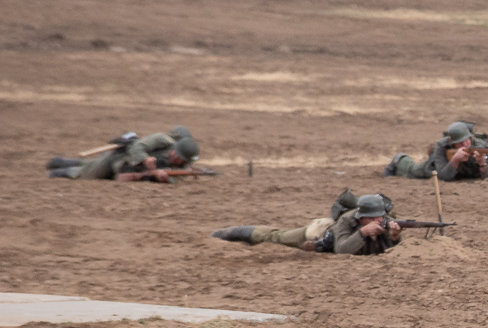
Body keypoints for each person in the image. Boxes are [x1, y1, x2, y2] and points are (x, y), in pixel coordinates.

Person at [209, 191, 403, 254]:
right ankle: (228, 234)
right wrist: (363, 233)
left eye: (381, 216)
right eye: (374, 218)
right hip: (322, 232)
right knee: (277, 237)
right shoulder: (347, 220)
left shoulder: (387, 221)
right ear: (361, 218)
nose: (380, 220)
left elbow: (390, 247)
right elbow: (341, 249)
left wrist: (395, 237)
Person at [49, 129, 200, 182]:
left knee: (91, 166)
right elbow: (138, 146)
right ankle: (57, 170)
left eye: (180, 159)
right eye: (176, 154)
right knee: (89, 173)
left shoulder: (184, 168)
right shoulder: (161, 140)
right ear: (174, 147)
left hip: (128, 172)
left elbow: (175, 179)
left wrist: (165, 179)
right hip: (119, 160)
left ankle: (62, 162)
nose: (176, 159)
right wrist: (146, 159)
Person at [384, 121, 488, 181]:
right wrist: (455, 161)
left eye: (467, 141)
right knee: (414, 170)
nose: (465, 145)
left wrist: (482, 163)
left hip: (464, 174)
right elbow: (442, 176)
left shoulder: (482, 146)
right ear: (452, 144)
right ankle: (399, 159)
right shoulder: (441, 146)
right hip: (435, 168)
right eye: (460, 143)